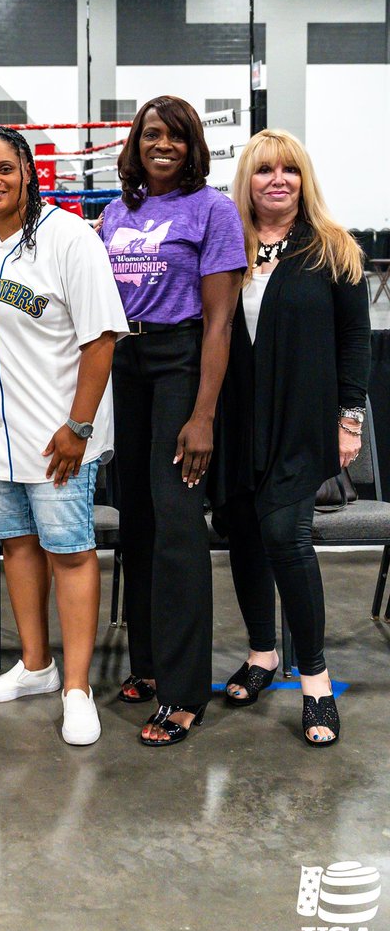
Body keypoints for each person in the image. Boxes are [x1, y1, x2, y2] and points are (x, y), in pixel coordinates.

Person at [0, 126, 128, 746]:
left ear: (29, 170)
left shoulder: (70, 239)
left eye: (3, 169)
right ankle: (36, 667)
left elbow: (101, 340)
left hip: (58, 437)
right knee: (16, 547)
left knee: (70, 552)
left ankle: (76, 687)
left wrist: (78, 427)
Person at [211, 129, 370, 746]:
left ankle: (316, 681)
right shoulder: (228, 246)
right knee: (243, 532)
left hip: (301, 423)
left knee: (286, 535)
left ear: (304, 180)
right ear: (246, 182)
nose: (277, 180)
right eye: (264, 171)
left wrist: (348, 421)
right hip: (234, 423)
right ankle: (261, 655)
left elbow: (355, 345)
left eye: (290, 171)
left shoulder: (334, 249)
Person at [101, 96, 245, 747]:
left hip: (180, 362)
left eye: (177, 137)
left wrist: (203, 415)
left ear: (193, 147)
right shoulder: (115, 211)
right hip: (124, 363)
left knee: (179, 526)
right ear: (136, 143)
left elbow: (219, 322)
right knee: (140, 521)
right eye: (152, 134)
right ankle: (151, 667)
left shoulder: (213, 211)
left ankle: (186, 692)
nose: (164, 145)